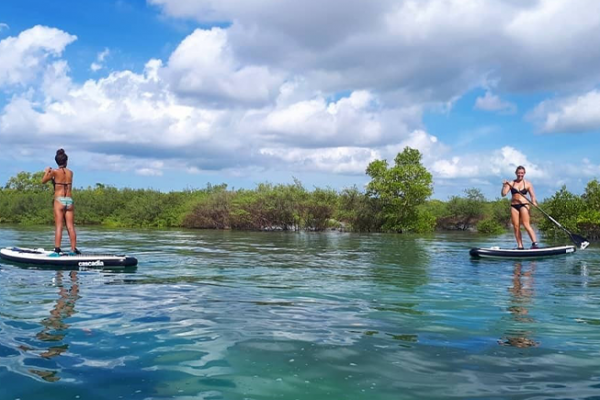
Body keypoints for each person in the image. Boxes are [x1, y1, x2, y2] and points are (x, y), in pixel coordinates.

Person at [42, 149, 80, 255]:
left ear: (57, 161)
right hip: (69, 200)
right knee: (70, 226)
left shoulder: (54, 172)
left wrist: (47, 171)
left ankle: (57, 249)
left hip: (59, 200)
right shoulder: (70, 173)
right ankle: (73, 249)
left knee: (59, 226)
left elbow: (43, 181)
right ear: (66, 161)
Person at [501, 166, 539, 249]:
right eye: (519, 173)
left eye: (522, 173)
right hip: (514, 206)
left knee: (526, 224)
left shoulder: (528, 184)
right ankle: (520, 245)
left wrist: (534, 201)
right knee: (516, 226)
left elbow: (532, 196)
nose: (520, 174)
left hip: (524, 205)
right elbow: (503, 194)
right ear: (516, 173)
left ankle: (534, 244)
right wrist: (504, 186)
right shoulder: (511, 183)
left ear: (524, 173)